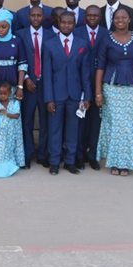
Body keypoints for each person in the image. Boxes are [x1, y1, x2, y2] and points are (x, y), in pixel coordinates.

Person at [95, 8, 133, 176]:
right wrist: (98, 93)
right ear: (112, 20)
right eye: (117, 18)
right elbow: (100, 67)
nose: (120, 20)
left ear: (129, 19)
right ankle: (116, 163)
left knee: (128, 124)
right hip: (111, 87)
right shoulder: (105, 39)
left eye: (123, 17)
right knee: (115, 124)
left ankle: (127, 162)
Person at [43, 11, 91, 175]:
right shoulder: (49, 44)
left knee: (73, 128)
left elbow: (85, 73)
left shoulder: (82, 43)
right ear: (58, 22)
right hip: (56, 95)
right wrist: (48, 98)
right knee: (55, 129)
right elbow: (47, 75)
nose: (66, 25)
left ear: (75, 24)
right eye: (63, 22)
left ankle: (70, 161)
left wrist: (87, 96)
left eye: (70, 23)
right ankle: (55, 161)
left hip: (75, 95)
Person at [0, 9, 27, 164]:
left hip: (12, 88)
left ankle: (14, 158)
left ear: (10, 26)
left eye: (4, 27)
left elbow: (22, 65)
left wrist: (20, 87)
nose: (1, 30)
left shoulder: (17, 40)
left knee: (12, 122)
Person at [16, 6, 57, 169]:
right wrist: (25, 78)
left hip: (45, 85)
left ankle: (42, 154)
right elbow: (18, 58)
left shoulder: (50, 34)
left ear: (44, 17)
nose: (36, 18)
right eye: (33, 15)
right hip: (28, 85)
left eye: (39, 15)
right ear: (28, 17)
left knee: (46, 122)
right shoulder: (20, 34)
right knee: (27, 121)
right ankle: (27, 154)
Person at [74, 5, 109, 170]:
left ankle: (93, 155)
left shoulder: (106, 33)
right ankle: (79, 155)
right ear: (85, 17)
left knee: (96, 122)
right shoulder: (77, 32)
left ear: (100, 16)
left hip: (100, 84)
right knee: (81, 121)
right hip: (81, 83)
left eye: (95, 15)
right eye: (89, 15)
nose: (92, 18)